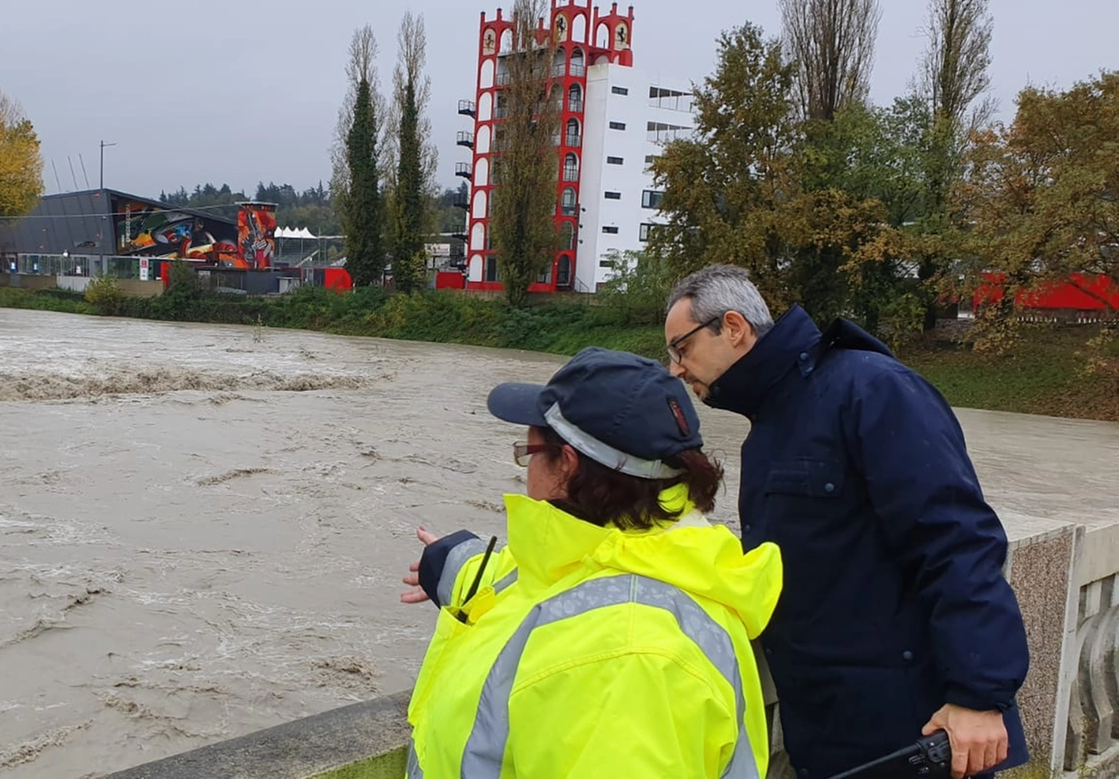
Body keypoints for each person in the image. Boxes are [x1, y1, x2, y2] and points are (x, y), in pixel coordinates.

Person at [663, 264, 1030, 779]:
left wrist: (979, 695)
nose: (676, 369)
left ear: (733, 327)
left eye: (681, 349)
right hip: (830, 729)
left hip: (914, 734)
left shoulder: (871, 388)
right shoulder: (772, 418)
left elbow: (957, 539)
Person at [400, 347, 783, 778]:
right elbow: (545, 587)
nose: (524, 472)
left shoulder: (629, 662)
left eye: (527, 453)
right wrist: (449, 563)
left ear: (565, 466)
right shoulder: (663, 549)